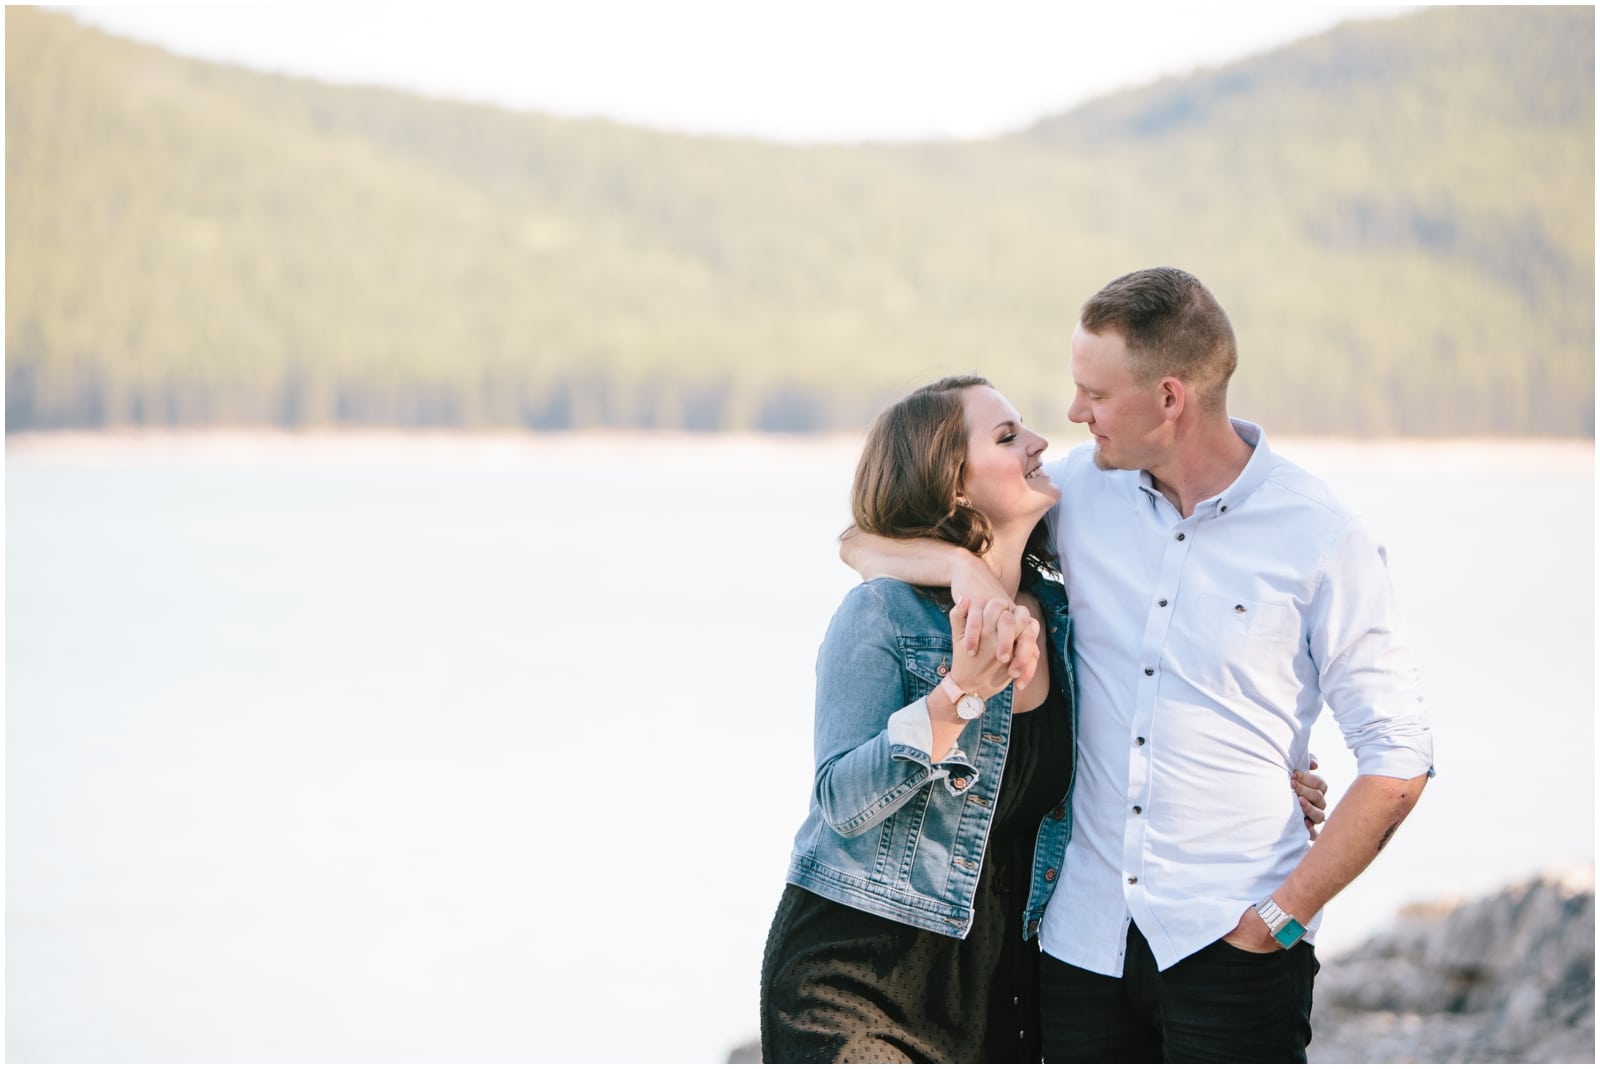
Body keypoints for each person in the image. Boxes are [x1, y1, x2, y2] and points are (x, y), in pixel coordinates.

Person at [841, 267, 1434, 1063]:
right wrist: (962, 571)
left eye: (1093, 392)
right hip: (1079, 945)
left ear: (1169, 397)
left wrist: (1280, 917)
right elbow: (860, 542)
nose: (1073, 414)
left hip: (1235, 947)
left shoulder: (1321, 538)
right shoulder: (1077, 493)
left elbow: (1399, 755)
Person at [762, 373, 1330, 1063]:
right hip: (858, 974)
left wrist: (1265, 788)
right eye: (1007, 436)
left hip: (1001, 985)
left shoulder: (1061, 623)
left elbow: (1143, 734)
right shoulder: (882, 613)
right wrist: (959, 696)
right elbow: (841, 801)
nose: (1038, 443)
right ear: (952, 486)